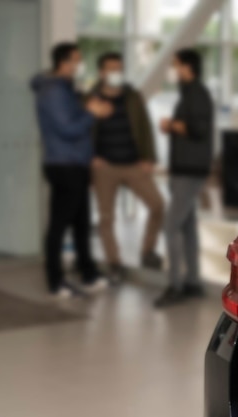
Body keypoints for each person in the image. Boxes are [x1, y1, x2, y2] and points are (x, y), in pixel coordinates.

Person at [30, 42, 112, 299]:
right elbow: (68, 129)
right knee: (59, 225)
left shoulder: (64, 89)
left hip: (75, 163)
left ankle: (88, 274)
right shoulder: (54, 91)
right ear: (64, 62)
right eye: (76, 60)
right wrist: (92, 113)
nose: (79, 65)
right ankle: (55, 281)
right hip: (64, 166)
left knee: (80, 222)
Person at [89, 52, 164, 281]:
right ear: (102, 72)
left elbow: (145, 127)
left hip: (133, 164)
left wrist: (148, 158)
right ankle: (114, 263)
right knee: (106, 218)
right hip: (105, 167)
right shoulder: (90, 98)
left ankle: (147, 251)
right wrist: (91, 156)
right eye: (111, 69)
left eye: (119, 68)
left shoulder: (132, 97)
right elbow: (83, 130)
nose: (116, 73)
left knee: (158, 205)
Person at [155, 49, 214, 308]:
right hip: (185, 169)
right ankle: (192, 282)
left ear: (187, 67)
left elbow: (198, 129)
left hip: (190, 171)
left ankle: (175, 285)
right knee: (187, 227)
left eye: (175, 65)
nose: (173, 69)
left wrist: (171, 125)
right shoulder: (189, 92)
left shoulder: (197, 94)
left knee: (170, 227)